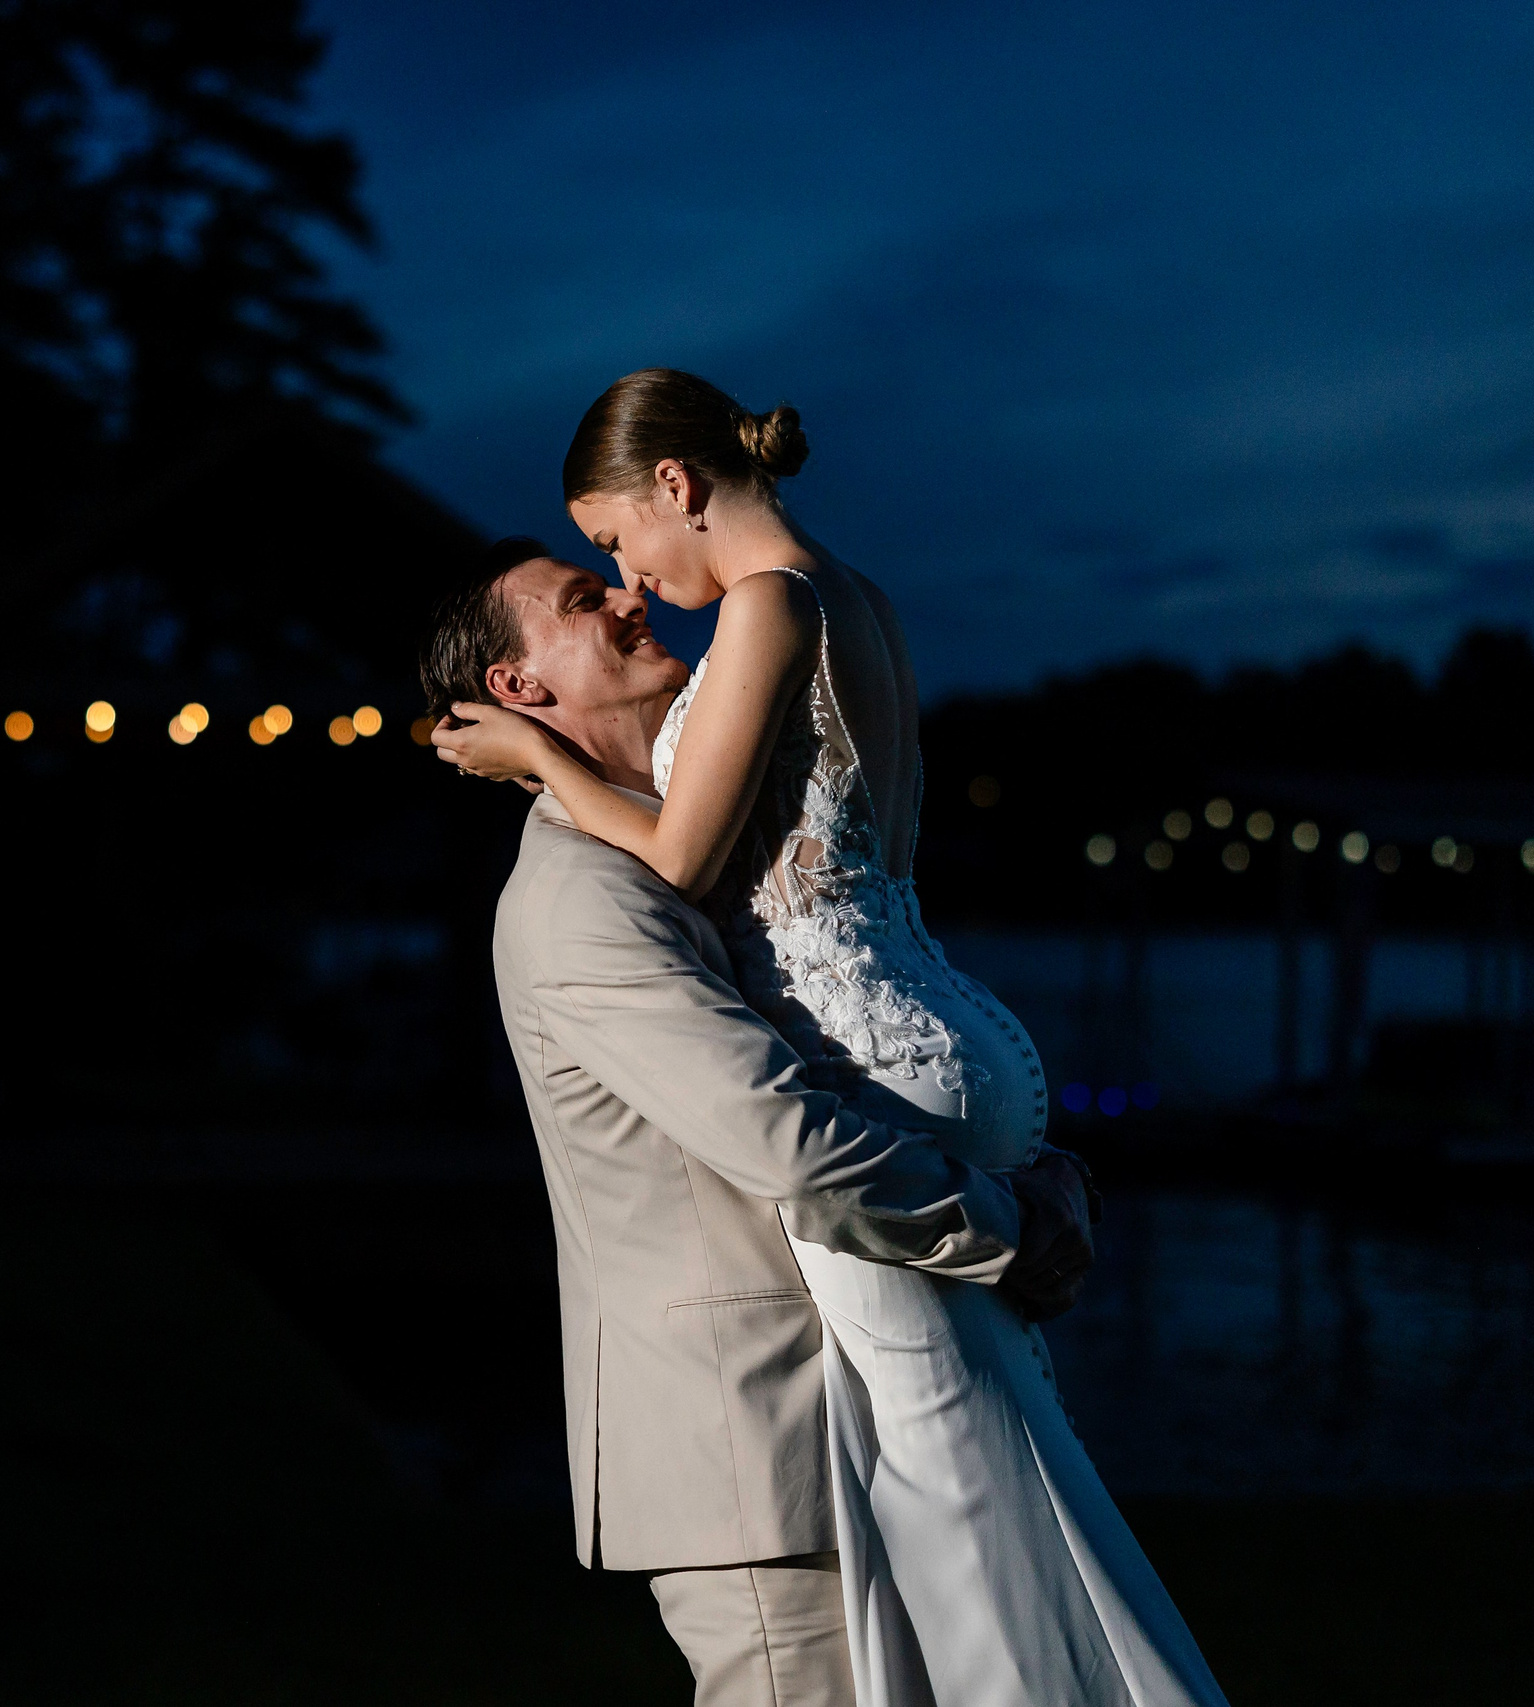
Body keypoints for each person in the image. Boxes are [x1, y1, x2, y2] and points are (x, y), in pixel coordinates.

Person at [432, 371, 1230, 1707]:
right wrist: (1013, 1218)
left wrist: (544, 764)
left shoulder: (760, 623)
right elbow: (775, 1128)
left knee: (1001, 1535)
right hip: (752, 1452)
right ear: (518, 682)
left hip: (837, 1331)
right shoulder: (576, 894)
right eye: (592, 585)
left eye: (616, 549)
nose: (624, 583)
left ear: (674, 484)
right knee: (1003, 1525)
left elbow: (711, 886)